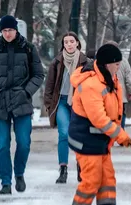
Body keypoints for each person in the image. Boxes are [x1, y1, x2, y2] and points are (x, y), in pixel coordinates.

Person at [66, 44, 131, 205]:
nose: (119, 67)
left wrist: (117, 136)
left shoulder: (109, 80)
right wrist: (121, 136)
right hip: (86, 139)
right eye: (117, 64)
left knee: (107, 178)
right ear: (107, 64)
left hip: (100, 140)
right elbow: (98, 118)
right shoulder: (90, 84)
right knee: (92, 178)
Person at [0, 15, 44, 195]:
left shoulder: (28, 48)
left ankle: (19, 174)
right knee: (1, 145)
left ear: (16, 30)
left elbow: (38, 75)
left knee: (24, 143)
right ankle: (6, 182)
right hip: (0, 102)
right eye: (4, 30)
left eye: (10, 30)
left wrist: (26, 92)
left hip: (21, 101)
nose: (7, 33)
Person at [44, 32, 89, 184]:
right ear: (63, 45)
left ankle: (80, 166)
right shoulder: (57, 62)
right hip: (61, 102)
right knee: (64, 134)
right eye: (66, 42)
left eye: (71, 41)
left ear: (77, 43)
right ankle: (63, 169)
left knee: (78, 135)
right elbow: (49, 84)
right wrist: (49, 103)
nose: (69, 44)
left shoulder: (86, 62)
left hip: (79, 103)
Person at [105, 41, 131, 129]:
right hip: (121, 95)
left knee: (108, 113)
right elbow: (129, 79)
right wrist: (130, 92)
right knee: (121, 113)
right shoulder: (124, 61)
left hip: (106, 93)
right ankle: (120, 133)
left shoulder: (102, 60)